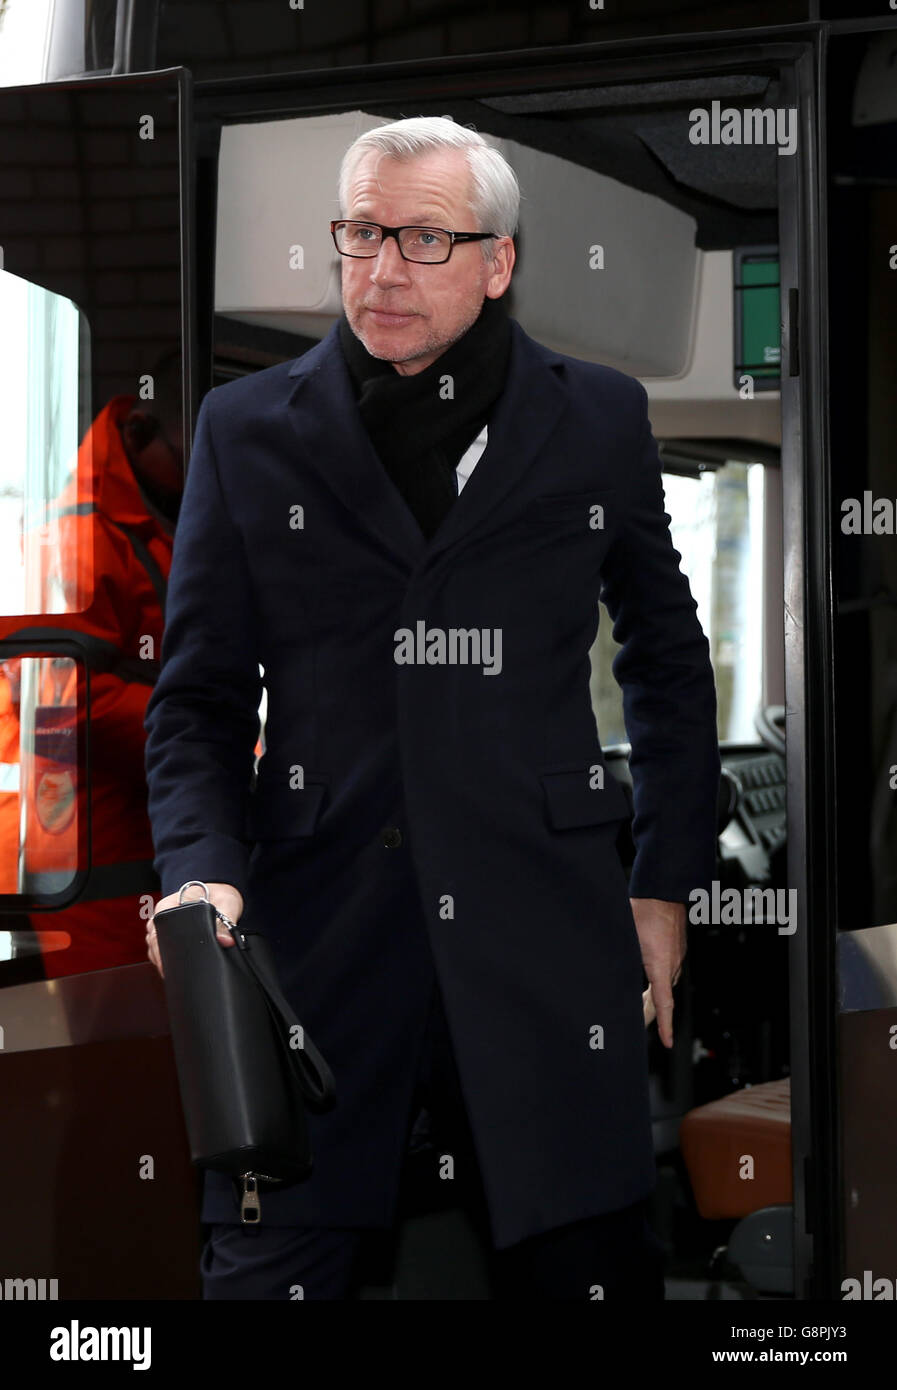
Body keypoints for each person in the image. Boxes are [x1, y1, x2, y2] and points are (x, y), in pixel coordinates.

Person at [143, 116, 720, 1300]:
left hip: (545, 943)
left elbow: (667, 661)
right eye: (361, 233)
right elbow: (195, 702)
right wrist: (201, 872)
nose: (382, 269)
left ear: (499, 261)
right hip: (316, 949)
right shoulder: (245, 433)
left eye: (424, 238)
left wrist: (663, 883)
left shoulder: (598, 420)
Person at [0, 363, 182, 971]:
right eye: (187, 452)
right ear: (140, 432)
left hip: (133, 852)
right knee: (116, 1057)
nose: (200, 468)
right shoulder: (76, 534)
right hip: (90, 869)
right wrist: (196, 735)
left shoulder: (148, 521)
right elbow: (57, 700)